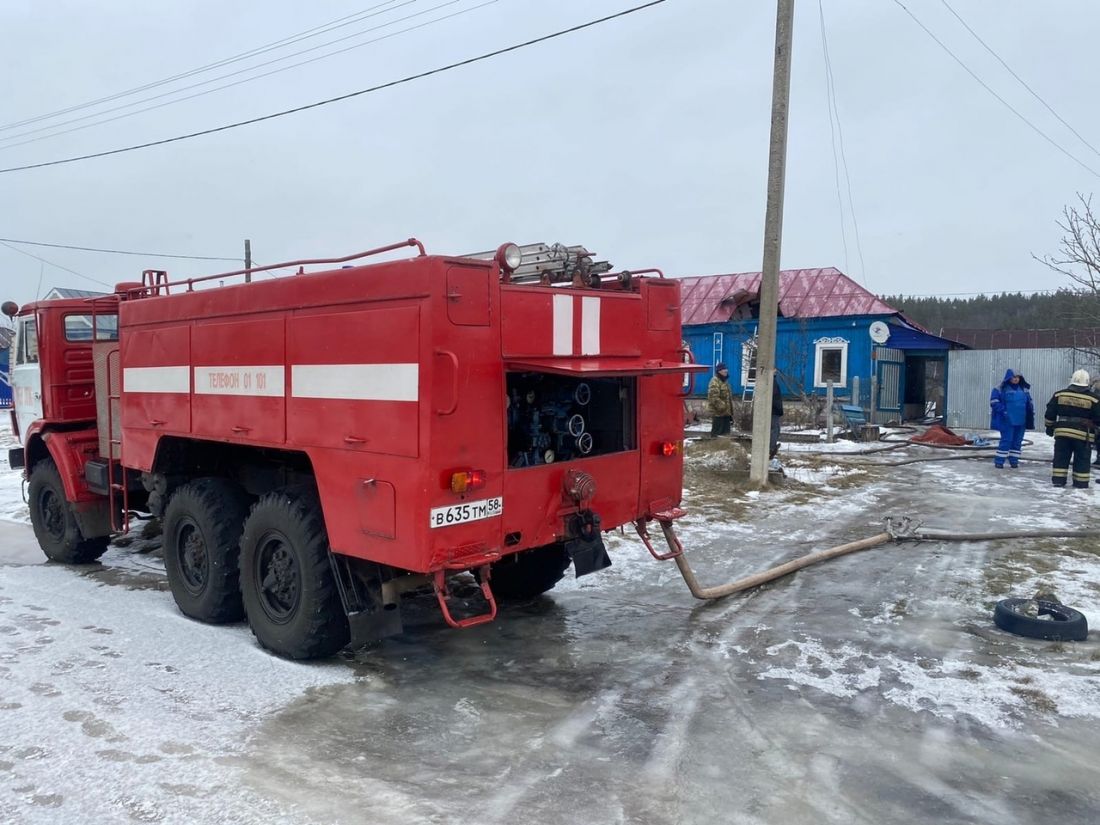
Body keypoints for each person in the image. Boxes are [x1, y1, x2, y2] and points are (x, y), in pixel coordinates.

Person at [1044, 369, 1100, 489]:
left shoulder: (1059, 394)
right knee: (1082, 459)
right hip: (1083, 436)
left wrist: (1049, 427)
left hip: (1062, 433)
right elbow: (1098, 417)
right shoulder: (1094, 399)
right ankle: (1081, 483)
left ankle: (1058, 480)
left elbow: (1050, 412)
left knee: (1061, 457)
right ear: (1087, 382)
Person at [989, 369, 1034, 468]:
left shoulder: (1024, 389)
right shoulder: (999, 389)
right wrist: (1003, 411)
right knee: (1007, 440)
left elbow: (1029, 403)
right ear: (1008, 377)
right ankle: (999, 461)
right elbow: (994, 402)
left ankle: (1014, 461)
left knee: (1017, 442)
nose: (1016, 379)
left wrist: (1030, 414)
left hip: (1021, 420)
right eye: (1014, 377)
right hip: (1007, 420)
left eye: (1018, 377)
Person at [707, 362, 734, 436]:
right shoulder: (714, 381)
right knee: (717, 435)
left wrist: (729, 411)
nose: (726, 370)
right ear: (719, 371)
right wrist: (723, 407)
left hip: (726, 414)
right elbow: (713, 398)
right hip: (718, 414)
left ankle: (724, 447)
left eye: (726, 369)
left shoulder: (725, 382)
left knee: (726, 435)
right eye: (724, 369)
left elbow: (728, 397)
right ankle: (715, 447)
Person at [769, 373, 784, 471]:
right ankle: (771, 450)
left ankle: (772, 449)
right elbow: (773, 398)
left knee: (776, 430)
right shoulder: (771, 382)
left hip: (774, 411)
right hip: (774, 411)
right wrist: (778, 409)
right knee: (775, 431)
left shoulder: (772, 381)